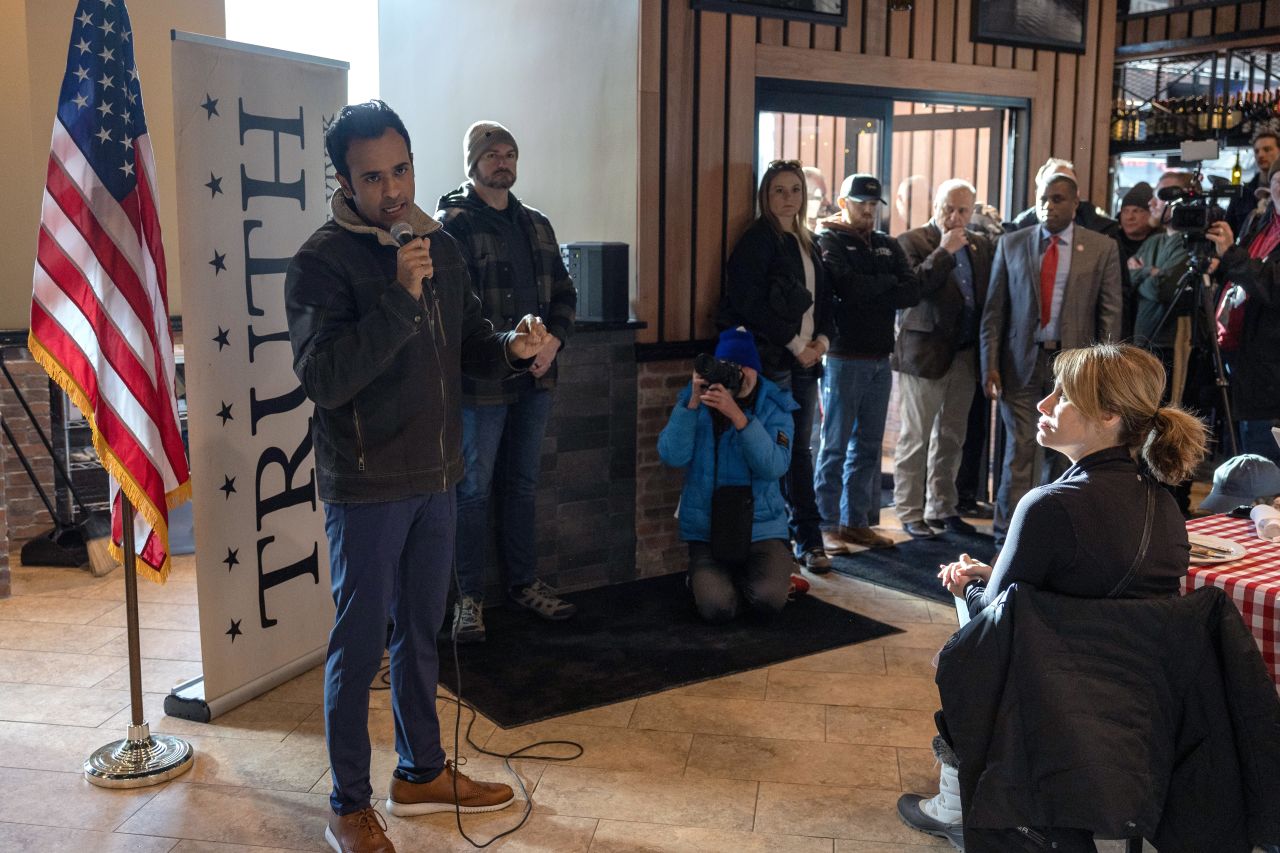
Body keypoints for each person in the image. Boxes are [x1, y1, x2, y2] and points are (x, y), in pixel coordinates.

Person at [285, 101, 537, 853]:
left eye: (402, 169)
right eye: (373, 176)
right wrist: (398, 296)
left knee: (423, 631)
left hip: (437, 476)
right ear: (341, 177)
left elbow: (468, 348)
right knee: (360, 647)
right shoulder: (320, 262)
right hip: (367, 484)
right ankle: (347, 800)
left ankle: (421, 770)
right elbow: (326, 379)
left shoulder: (441, 245)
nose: (393, 190)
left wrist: (513, 348)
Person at [899, 342, 1209, 850]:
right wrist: (997, 573)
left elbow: (994, 620)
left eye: (1062, 396)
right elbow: (1095, 591)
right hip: (1132, 704)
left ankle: (959, 804)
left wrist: (969, 583)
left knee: (958, 654)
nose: (1043, 404)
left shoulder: (1047, 506)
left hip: (1048, 695)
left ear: (1109, 415)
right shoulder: (1166, 507)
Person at [436, 121, 579, 644]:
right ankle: (468, 599)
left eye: (510, 153)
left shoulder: (537, 224)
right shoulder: (452, 224)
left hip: (535, 380)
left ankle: (523, 583)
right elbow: (453, 313)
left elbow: (565, 292)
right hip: (483, 383)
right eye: (493, 154)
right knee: (471, 491)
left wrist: (554, 343)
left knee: (521, 486)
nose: (503, 161)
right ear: (472, 162)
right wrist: (512, 352)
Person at [981, 172, 1123, 547]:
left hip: (1073, 371)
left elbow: (1110, 315)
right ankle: (1006, 537)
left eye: (1058, 199)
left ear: (1076, 204)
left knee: (1064, 455)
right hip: (1019, 364)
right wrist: (989, 363)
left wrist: (1105, 375)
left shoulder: (1101, 247)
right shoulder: (1012, 244)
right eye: (1043, 198)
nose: (1049, 206)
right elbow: (994, 312)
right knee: (1020, 449)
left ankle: (1052, 533)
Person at [718, 159, 834, 574]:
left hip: (807, 359)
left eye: (795, 190)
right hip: (773, 360)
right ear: (765, 196)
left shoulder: (808, 240)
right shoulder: (758, 238)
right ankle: (777, 542)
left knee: (802, 452)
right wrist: (794, 342)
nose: (788, 198)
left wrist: (822, 340)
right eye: (779, 190)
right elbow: (747, 302)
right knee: (775, 454)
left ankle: (809, 540)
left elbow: (824, 301)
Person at [657, 328, 797, 623]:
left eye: (744, 367)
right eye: (729, 367)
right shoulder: (697, 401)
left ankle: (766, 575)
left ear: (756, 369)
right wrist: (692, 402)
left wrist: (739, 418)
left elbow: (774, 466)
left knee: (769, 600)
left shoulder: (777, 406)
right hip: (709, 529)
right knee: (717, 608)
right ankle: (710, 581)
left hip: (761, 527)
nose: (738, 374)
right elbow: (672, 455)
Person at [816, 174, 920, 551]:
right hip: (843, 357)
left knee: (869, 446)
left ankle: (856, 521)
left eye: (874, 205)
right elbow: (846, 287)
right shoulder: (828, 239)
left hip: (879, 357)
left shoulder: (887, 244)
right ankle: (826, 523)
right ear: (843, 203)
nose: (869, 211)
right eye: (862, 204)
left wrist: (872, 286)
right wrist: (884, 284)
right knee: (835, 445)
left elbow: (911, 290)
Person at [893, 179, 994, 538]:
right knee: (916, 438)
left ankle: (943, 507)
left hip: (965, 355)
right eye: (947, 208)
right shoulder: (912, 241)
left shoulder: (980, 246)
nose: (954, 216)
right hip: (924, 356)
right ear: (935, 205)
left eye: (962, 210)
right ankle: (909, 509)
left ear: (973, 211)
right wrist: (945, 251)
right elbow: (912, 289)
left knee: (952, 436)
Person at [1206, 199, 1280, 465]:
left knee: (1265, 472)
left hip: (1271, 376)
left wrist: (1232, 254)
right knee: (1246, 467)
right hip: (1242, 363)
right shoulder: (1261, 226)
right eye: (1276, 179)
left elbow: (1272, 286)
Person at [1005, 157, 1119, 237]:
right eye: (1051, 184)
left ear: (1077, 195)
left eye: (1067, 185)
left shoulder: (1100, 227)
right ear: (1038, 193)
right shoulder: (1019, 229)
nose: (1058, 188)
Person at [1114, 181, 1154, 340]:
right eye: (1125, 211)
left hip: (1148, 325)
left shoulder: (1158, 243)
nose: (1130, 217)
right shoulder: (1111, 243)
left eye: (1136, 211)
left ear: (1150, 214)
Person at [1226, 126, 1280, 236]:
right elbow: (1229, 234)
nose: (1260, 155)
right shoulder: (1241, 195)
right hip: (1246, 252)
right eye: (1256, 151)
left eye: (1267, 149)